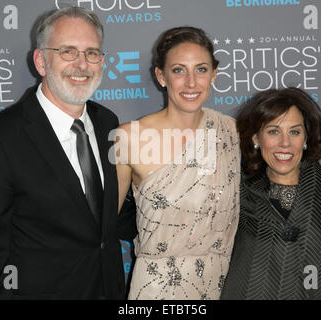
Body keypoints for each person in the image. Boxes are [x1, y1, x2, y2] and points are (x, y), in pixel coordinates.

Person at [0, 7, 136, 299]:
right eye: (68, 51)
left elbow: (107, 219)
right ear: (41, 61)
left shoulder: (108, 122)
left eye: (92, 53)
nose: (82, 64)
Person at [115, 26, 240, 300]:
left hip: (223, 284)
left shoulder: (231, 132)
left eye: (201, 69)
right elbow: (101, 225)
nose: (191, 82)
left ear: (214, 74)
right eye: (179, 70)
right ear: (161, 76)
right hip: (156, 290)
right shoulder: (129, 138)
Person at [221, 87, 321, 300]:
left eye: (294, 131)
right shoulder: (235, 192)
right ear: (255, 138)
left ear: (306, 138)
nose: (285, 143)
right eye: (273, 131)